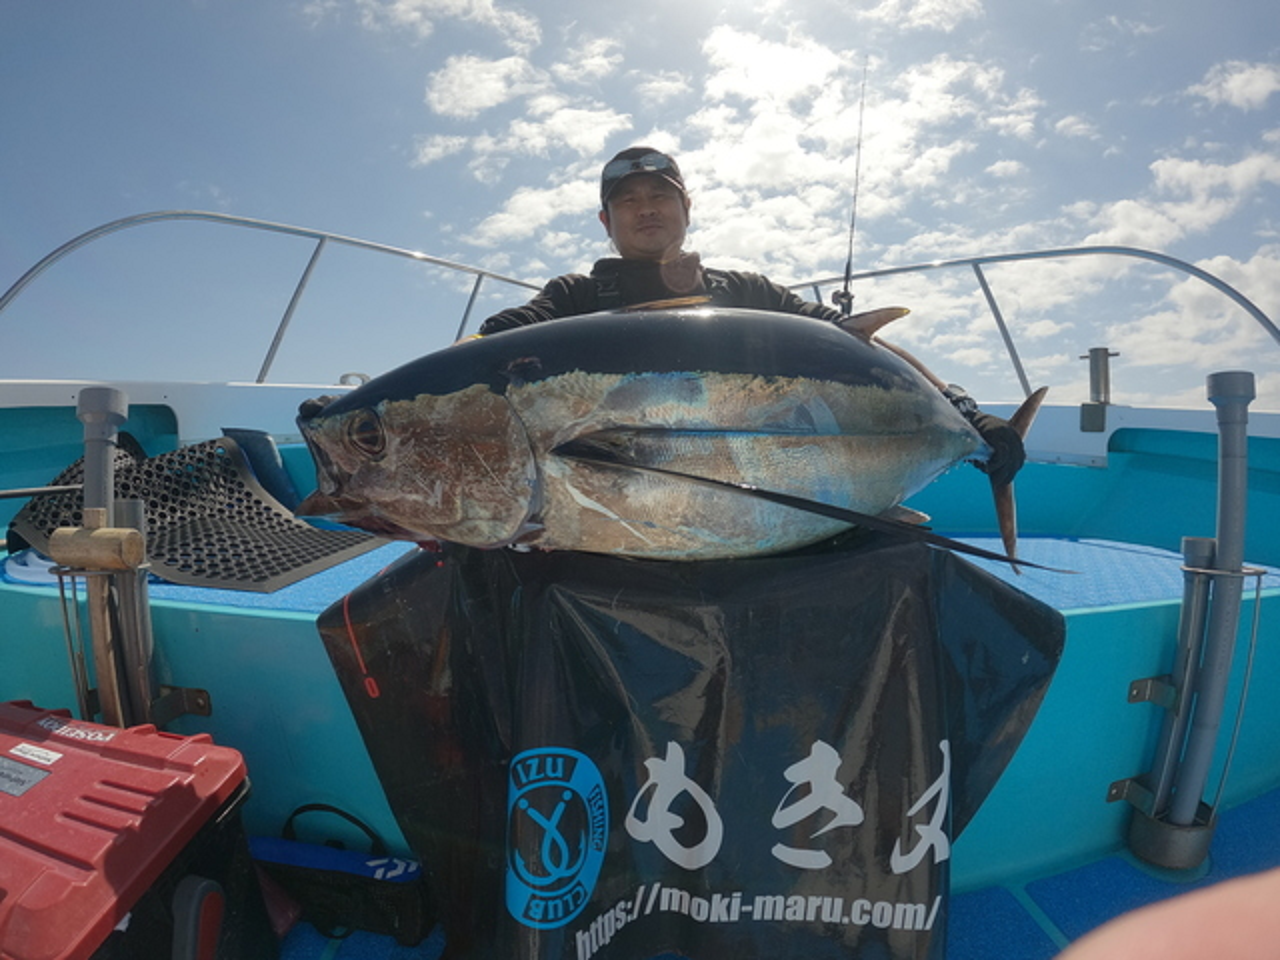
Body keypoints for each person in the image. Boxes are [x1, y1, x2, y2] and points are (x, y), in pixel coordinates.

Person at [479, 146, 1025, 485]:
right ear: (606, 220)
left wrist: (964, 412)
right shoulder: (573, 297)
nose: (645, 208)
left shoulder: (745, 290)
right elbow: (489, 347)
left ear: (686, 209)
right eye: (627, 201)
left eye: (659, 196)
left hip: (769, 494)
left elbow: (859, 343)